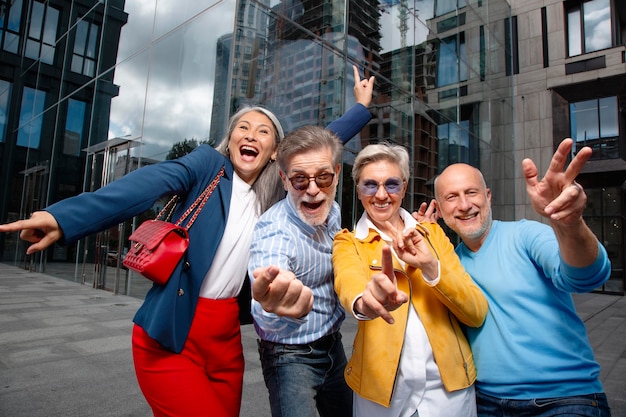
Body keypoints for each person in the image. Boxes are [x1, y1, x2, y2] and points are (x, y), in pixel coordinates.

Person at [0, 66, 374, 417]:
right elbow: (147, 183)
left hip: (225, 339)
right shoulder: (206, 167)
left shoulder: (279, 189)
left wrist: (360, 107)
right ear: (230, 142)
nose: (250, 135)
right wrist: (64, 218)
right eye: (242, 128)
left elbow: (322, 145)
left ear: (276, 151)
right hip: (172, 332)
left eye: (263, 131)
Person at [418, 138, 612, 416]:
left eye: (471, 193)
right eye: (452, 197)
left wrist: (570, 224)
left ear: (488, 196)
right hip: (484, 402)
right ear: (439, 208)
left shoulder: (525, 235)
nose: (464, 205)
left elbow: (586, 276)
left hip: (563, 399)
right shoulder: (447, 264)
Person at [331, 142, 489, 417]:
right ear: (358, 189)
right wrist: (365, 302)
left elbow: (476, 313)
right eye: (370, 185)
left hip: (449, 393)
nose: (381, 194)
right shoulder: (348, 242)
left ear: (404, 188)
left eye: (391, 184)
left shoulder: (433, 235)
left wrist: (430, 266)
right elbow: (349, 281)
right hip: (380, 398)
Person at [248, 125, 354, 417]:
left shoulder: (332, 212)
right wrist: (273, 307)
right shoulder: (273, 233)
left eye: (323, 177)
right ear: (283, 179)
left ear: (336, 174)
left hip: (334, 345)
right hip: (289, 356)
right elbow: (269, 291)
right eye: (299, 179)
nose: (312, 189)